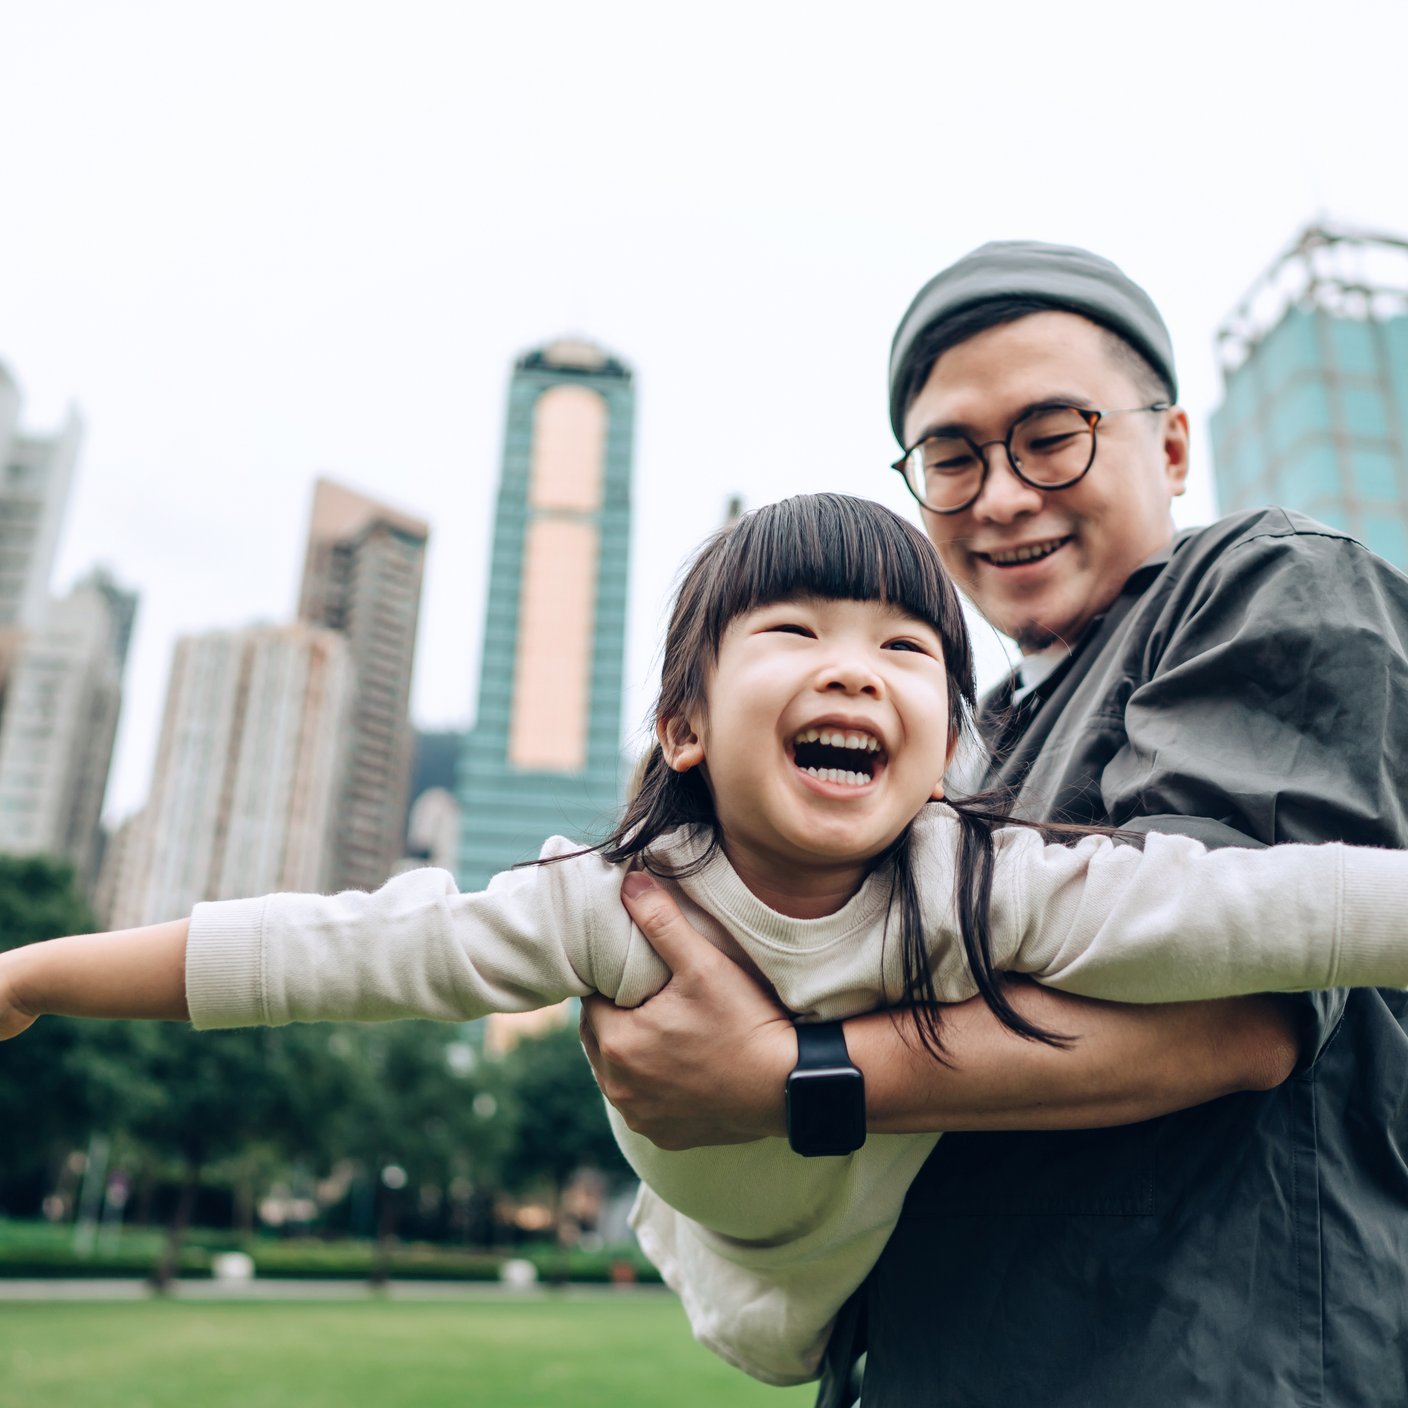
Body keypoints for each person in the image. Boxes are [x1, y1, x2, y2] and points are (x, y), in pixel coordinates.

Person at [6, 492, 1408, 1387]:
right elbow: (328, 953)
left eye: (906, 650)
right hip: (737, 1270)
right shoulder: (615, 900)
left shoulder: (991, 887)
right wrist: (36, 976)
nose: (853, 663)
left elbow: (1261, 905)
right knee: (755, 1319)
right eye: (793, 630)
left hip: (863, 1260)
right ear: (684, 726)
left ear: (950, 746)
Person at [580, 243, 1408, 1406]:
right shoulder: (963, 742)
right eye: (951, 458)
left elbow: (1239, 1013)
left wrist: (785, 1074)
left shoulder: (1263, 581)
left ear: (1170, 446)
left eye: (1052, 435)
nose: (1003, 494)